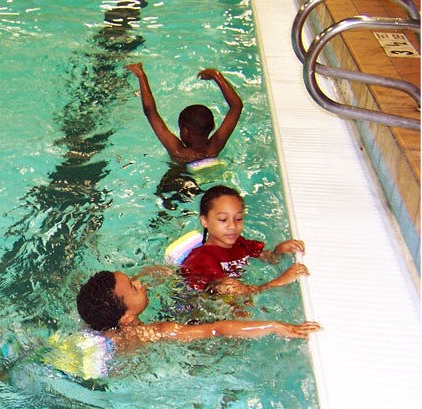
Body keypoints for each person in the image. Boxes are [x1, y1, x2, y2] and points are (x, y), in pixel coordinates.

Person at [76, 270, 320, 351]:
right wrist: (273, 326)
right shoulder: (154, 332)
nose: (139, 283)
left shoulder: (101, 320)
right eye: (133, 287)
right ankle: (270, 285)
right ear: (127, 317)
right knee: (225, 290)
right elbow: (215, 330)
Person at [180, 185, 308, 294]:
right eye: (223, 219)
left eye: (238, 218)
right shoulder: (202, 259)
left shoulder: (240, 243)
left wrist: (279, 251)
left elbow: (268, 258)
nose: (232, 226)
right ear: (205, 221)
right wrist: (279, 282)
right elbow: (233, 296)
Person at [125, 62, 243, 164]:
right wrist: (217, 76)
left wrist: (141, 75)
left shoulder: (178, 151)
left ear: (185, 132)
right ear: (213, 126)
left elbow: (150, 111)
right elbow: (236, 106)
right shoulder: (215, 147)